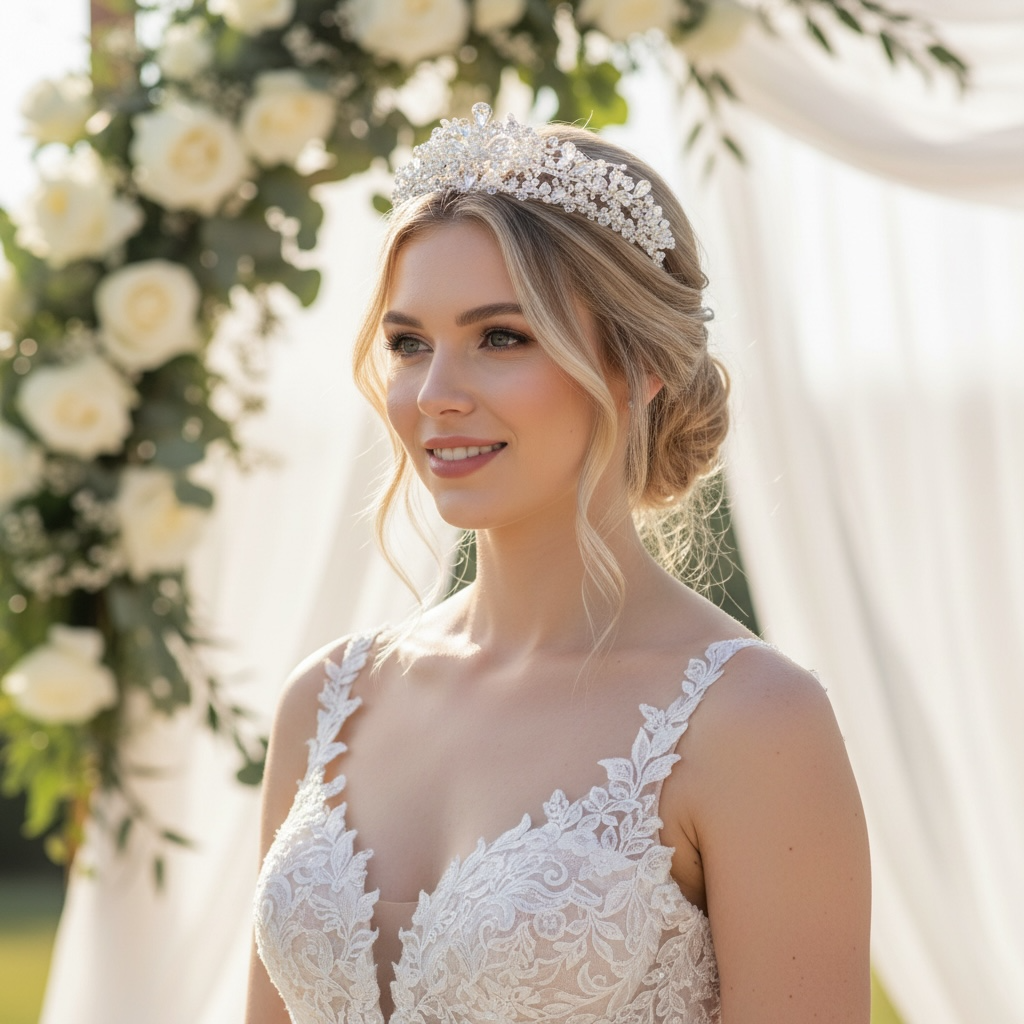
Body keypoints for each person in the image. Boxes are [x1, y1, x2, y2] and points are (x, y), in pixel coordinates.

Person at [245, 105, 870, 1024]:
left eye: (502, 337)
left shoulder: (751, 721)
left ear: (636, 366)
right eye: (410, 343)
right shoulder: (329, 699)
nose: (435, 396)